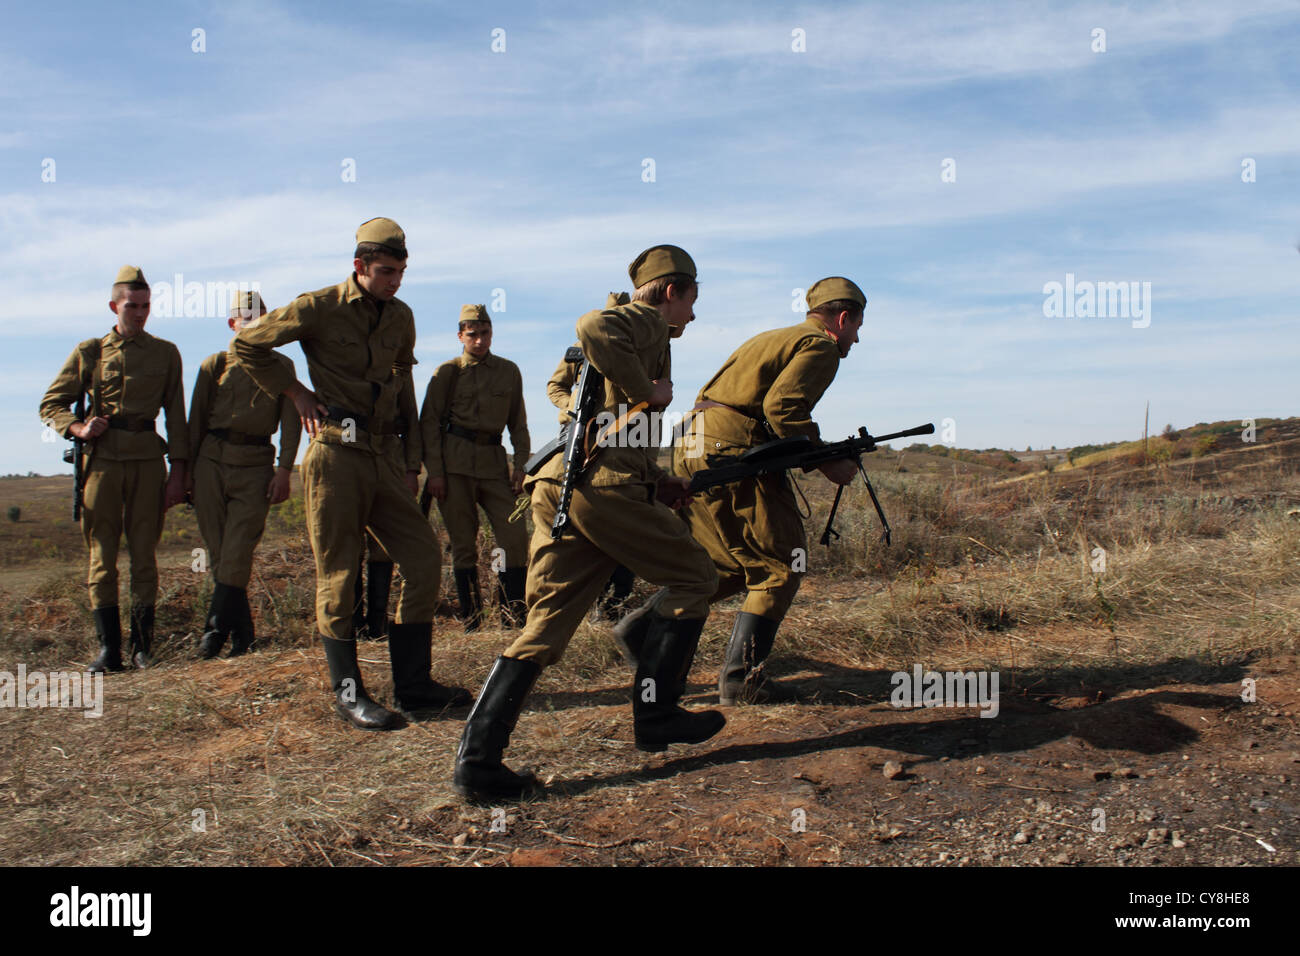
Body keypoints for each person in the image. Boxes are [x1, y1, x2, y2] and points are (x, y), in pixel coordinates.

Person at [453, 246, 723, 802]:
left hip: (566, 483)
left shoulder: (642, 335)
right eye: (692, 302)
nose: (691, 317)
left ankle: (477, 764)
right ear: (671, 292)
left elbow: (604, 414)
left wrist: (655, 479)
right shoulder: (645, 321)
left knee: (546, 625)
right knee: (697, 577)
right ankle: (657, 713)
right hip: (601, 488)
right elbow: (592, 326)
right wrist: (648, 392)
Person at [231, 218, 468, 731]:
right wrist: (295, 393)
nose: (394, 281)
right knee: (339, 574)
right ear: (358, 266)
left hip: (381, 454)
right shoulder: (319, 306)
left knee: (424, 556)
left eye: (401, 272)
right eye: (386, 271)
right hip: (335, 451)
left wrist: (410, 459)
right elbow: (249, 344)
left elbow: (402, 382)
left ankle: (414, 685)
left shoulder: (401, 316)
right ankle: (349, 694)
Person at [616, 277, 866, 705]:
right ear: (842, 318)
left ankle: (640, 630)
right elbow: (783, 408)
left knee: (724, 565)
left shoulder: (773, 338)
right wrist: (826, 461)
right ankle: (742, 680)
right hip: (731, 453)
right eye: (857, 327)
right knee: (782, 564)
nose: (856, 339)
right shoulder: (820, 345)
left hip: (694, 444)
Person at [40, 265, 189, 671]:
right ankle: (109, 650)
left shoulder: (165, 353)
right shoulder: (90, 352)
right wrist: (77, 428)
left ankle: (142, 647)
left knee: (145, 556)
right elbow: (51, 403)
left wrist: (179, 470)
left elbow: (176, 415)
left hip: (146, 461)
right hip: (101, 463)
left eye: (145, 306)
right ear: (114, 306)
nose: (139, 313)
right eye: (131, 306)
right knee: (102, 555)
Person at [187, 291, 300, 658]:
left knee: (237, 550)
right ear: (232, 322)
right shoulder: (213, 365)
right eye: (245, 316)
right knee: (219, 554)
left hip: (255, 464)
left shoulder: (281, 367)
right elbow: (195, 422)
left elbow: (291, 423)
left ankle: (214, 632)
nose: (254, 322)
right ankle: (244, 634)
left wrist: (284, 470)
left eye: (260, 316)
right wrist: (185, 473)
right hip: (210, 463)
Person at [419, 305, 530, 631]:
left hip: (494, 466)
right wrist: (435, 473)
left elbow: (519, 425)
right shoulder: (447, 373)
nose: (480, 341)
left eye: (485, 334)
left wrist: (521, 466)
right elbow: (429, 424)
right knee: (464, 544)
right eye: (473, 335)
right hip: (454, 468)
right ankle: (472, 621)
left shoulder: (508, 371)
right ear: (460, 336)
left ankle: (513, 617)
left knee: (513, 538)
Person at [546, 292, 637, 624]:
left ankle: (614, 606)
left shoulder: (633, 350)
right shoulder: (579, 351)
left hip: (620, 439)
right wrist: (574, 409)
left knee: (623, 525)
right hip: (578, 436)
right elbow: (555, 387)